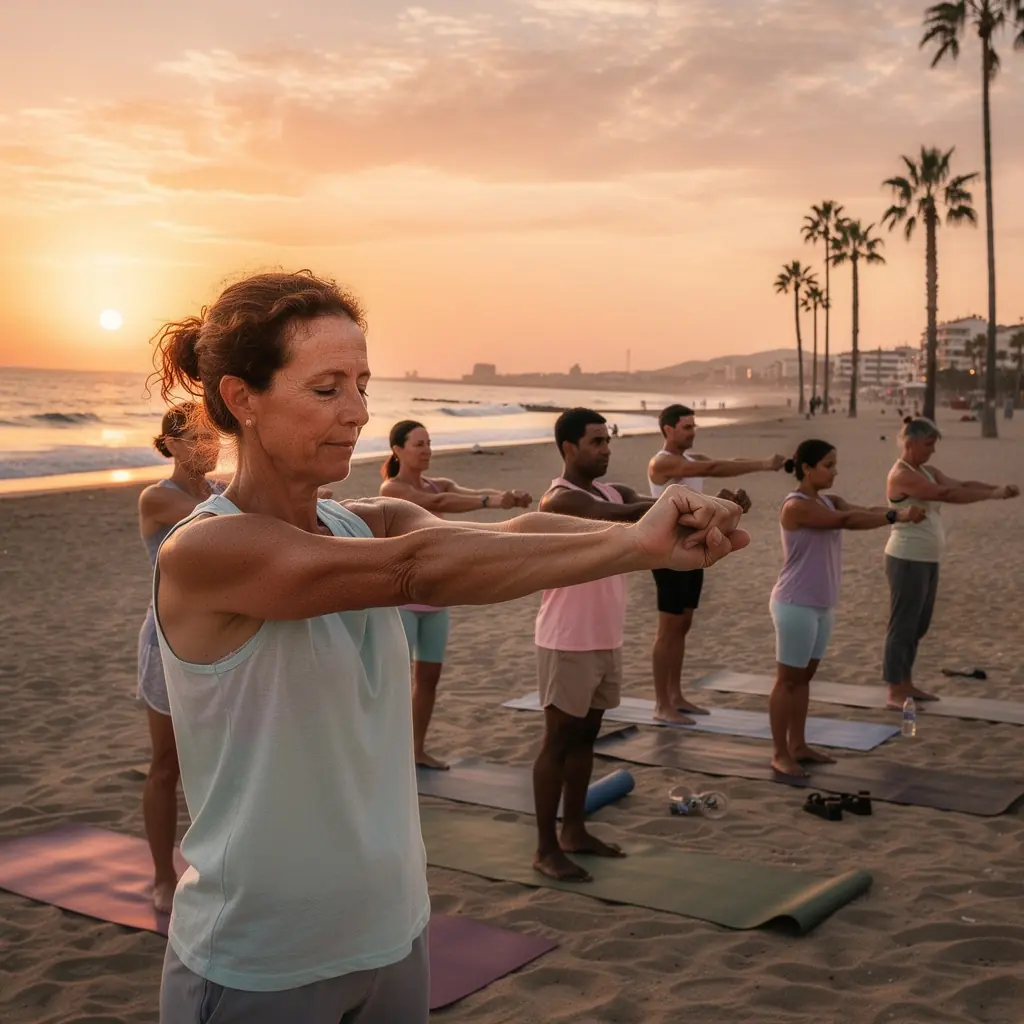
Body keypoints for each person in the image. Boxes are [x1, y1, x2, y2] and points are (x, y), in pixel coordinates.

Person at [149, 271, 749, 1023]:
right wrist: (634, 541)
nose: (360, 413)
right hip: (261, 963)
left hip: (393, 935)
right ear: (242, 397)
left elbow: (512, 533)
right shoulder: (204, 551)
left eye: (363, 383)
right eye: (328, 388)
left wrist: (655, 540)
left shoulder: (362, 520)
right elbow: (414, 571)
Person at [531, 407, 743, 882]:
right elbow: (623, 515)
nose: (606, 449)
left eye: (607, 441)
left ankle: (575, 831)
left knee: (587, 739)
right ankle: (546, 846)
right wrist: (681, 505)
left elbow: (646, 513)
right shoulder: (559, 501)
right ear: (568, 449)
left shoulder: (613, 488)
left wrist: (720, 510)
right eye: (595, 442)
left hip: (605, 635)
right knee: (557, 743)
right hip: (567, 638)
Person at [379, 419, 532, 769]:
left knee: (428, 680)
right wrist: (489, 500)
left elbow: (458, 492)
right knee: (393, 683)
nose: (427, 449)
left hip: (436, 600)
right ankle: (388, 754)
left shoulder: (437, 481)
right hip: (401, 601)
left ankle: (416, 749)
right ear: (398, 450)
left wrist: (504, 499)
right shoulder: (392, 490)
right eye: (419, 444)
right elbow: (440, 500)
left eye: (429, 443)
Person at [768, 439, 926, 777]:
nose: (835, 471)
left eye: (835, 464)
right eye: (828, 465)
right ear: (807, 468)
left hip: (823, 603)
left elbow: (858, 511)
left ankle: (798, 744)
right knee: (787, 681)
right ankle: (780, 753)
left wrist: (897, 513)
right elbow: (845, 521)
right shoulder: (796, 506)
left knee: (805, 678)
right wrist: (896, 515)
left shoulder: (827, 499)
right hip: (795, 603)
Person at [647, 403, 786, 722]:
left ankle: (677, 696)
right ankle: (661, 704)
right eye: (687, 427)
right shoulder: (662, 463)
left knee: (683, 624)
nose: (693, 432)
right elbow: (710, 471)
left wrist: (729, 498)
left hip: (692, 548)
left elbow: (725, 464)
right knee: (668, 629)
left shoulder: (692, 460)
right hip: (666, 550)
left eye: (694, 426)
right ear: (668, 430)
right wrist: (765, 464)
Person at [136, 402, 222, 914]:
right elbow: (219, 521)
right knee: (166, 763)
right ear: (169, 445)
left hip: (215, 638)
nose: (206, 448)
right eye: (194, 438)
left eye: (211, 437)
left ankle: (216, 866)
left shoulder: (221, 493)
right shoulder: (157, 498)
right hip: (165, 641)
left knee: (215, 763)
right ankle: (162, 875)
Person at [882, 417, 1018, 709]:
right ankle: (894, 689)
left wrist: (998, 489)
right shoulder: (901, 475)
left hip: (928, 558)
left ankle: (906, 682)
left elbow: (961, 484)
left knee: (918, 625)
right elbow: (945, 494)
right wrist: (991, 495)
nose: (932, 451)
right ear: (911, 444)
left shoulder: (927, 470)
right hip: (906, 557)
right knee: (902, 625)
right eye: (928, 445)